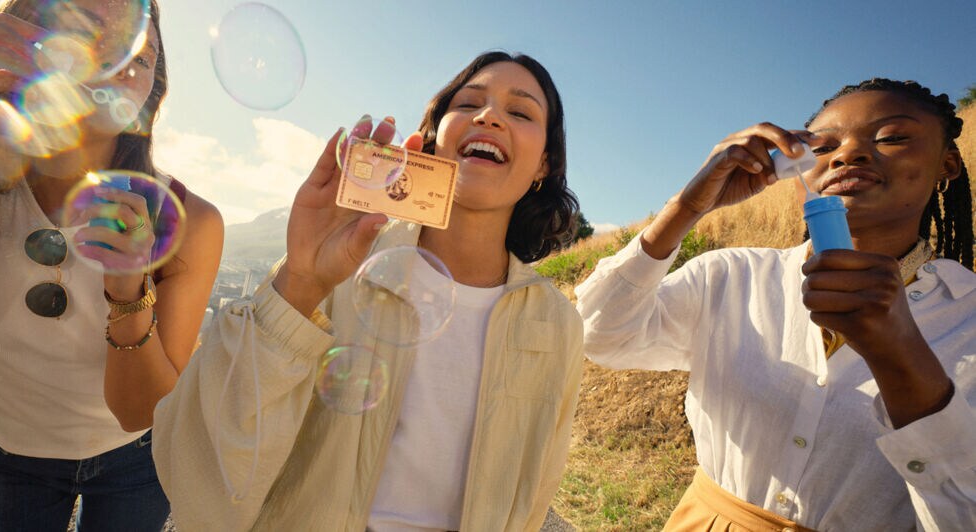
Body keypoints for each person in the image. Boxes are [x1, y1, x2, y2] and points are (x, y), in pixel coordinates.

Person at [152, 51, 584, 530]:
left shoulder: (556, 324)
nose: (489, 116)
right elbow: (197, 467)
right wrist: (299, 284)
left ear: (544, 162)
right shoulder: (340, 271)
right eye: (468, 104)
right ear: (436, 140)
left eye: (520, 112)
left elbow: (534, 491)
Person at [0, 1, 223, 530]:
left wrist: (128, 291)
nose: (122, 59)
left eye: (141, 53)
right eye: (90, 32)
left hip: (135, 462)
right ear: (25, 45)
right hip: (2, 457)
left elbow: (138, 413)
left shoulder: (189, 220)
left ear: (151, 88)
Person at [576, 78, 975, 530]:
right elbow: (598, 334)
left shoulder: (968, 317)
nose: (849, 155)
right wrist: (689, 205)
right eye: (823, 148)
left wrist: (901, 355)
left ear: (948, 164)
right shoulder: (732, 276)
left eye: (891, 137)